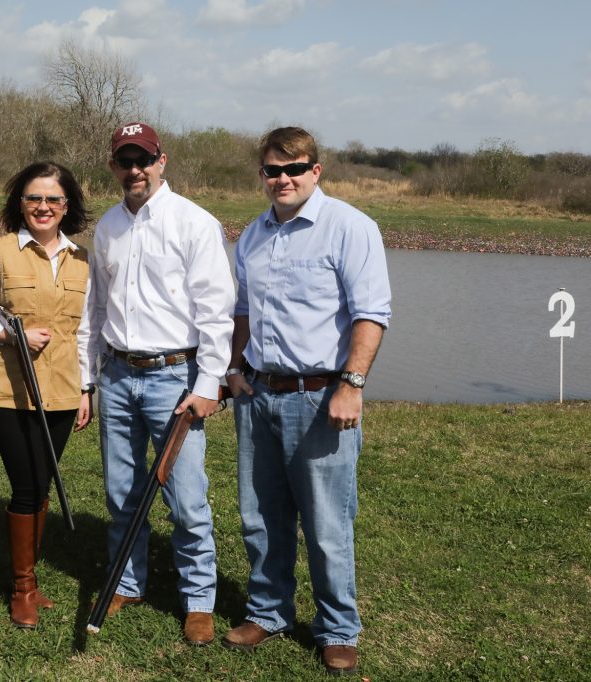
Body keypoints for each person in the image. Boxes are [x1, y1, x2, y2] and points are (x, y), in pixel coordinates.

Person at [222, 126, 392, 675]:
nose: (283, 179)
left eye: (294, 169)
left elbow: (371, 313)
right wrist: (236, 366)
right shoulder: (252, 235)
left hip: (321, 399)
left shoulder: (349, 228)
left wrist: (351, 384)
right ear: (263, 175)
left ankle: (337, 627)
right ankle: (268, 612)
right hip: (259, 397)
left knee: (326, 523)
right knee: (260, 517)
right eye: (273, 170)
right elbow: (243, 310)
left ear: (315, 171)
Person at [77, 122, 235, 646]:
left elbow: (218, 312)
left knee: (186, 496)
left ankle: (199, 600)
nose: (135, 170)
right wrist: (88, 378)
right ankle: (127, 581)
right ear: (114, 167)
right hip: (118, 374)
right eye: (125, 160)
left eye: (143, 159)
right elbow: (95, 309)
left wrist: (209, 382)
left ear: (161, 161)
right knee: (122, 492)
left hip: (175, 376)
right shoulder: (106, 228)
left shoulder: (195, 223)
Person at [0, 161, 92, 629]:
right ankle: (21, 588)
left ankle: (32, 582)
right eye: (34, 199)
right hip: (7, 391)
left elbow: (87, 331)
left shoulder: (81, 260)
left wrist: (86, 388)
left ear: (67, 206)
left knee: (43, 485)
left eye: (53, 199)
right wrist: (10, 336)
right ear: (20, 203)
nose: (43, 207)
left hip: (61, 390)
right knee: (27, 484)